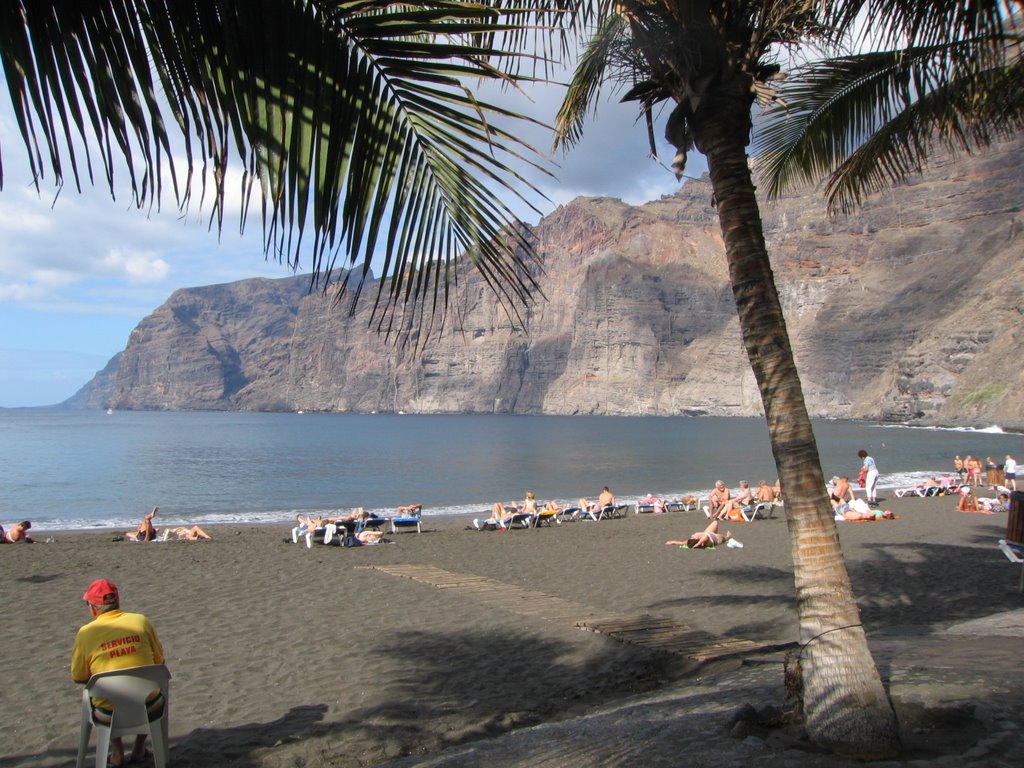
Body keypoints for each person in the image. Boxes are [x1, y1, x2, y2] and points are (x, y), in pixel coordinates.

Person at [71, 579, 165, 768]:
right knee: (149, 686)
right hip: (148, 707)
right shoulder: (141, 621)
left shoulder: (86, 633)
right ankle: (139, 748)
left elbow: (79, 676)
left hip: (109, 713)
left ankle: (117, 752)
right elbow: (159, 661)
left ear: (94, 608)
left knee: (104, 693)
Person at [666, 519, 734, 549]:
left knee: (715, 522)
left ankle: (727, 536)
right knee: (725, 537)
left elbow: (680, 543)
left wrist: (671, 542)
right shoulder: (704, 540)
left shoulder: (691, 541)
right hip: (717, 538)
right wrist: (697, 545)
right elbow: (703, 539)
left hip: (709, 534)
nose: (693, 537)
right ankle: (729, 536)